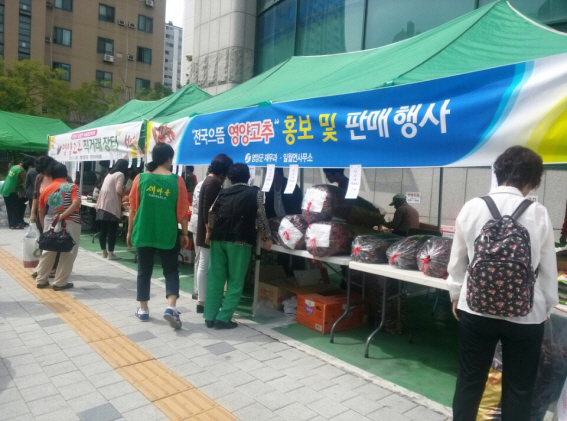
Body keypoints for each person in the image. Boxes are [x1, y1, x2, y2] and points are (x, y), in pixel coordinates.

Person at [447, 146, 558, 421]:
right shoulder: (538, 212)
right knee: (519, 386)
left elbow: (458, 260)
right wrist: (546, 307)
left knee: (469, 380)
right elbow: (548, 268)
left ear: (498, 173)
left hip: (476, 308)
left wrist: (455, 294)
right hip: (525, 314)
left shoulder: (472, 207)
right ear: (532, 181)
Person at [127, 144, 190, 329]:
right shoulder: (177, 181)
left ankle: (143, 310)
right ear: (169, 159)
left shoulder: (140, 178)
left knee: (143, 271)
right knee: (171, 270)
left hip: (144, 230)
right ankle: (171, 307)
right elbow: (182, 210)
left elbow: (133, 208)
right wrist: (185, 233)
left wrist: (130, 231)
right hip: (167, 232)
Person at [204, 163, 273, 329]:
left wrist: (209, 232)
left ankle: (210, 316)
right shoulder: (256, 193)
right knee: (236, 280)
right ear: (248, 177)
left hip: (218, 238)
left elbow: (211, 213)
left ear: (230, 178)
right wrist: (267, 237)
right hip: (240, 239)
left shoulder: (223, 192)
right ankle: (223, 318)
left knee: (215, 278)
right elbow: (262, 216)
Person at [195, 154, 233, 313]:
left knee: (204, 265)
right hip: (208, 231)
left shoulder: (208, 181)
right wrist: (209, 232)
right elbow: (208, 210)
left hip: (204, 230)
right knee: (205, 265)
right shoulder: (213, 184)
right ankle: (202, 301)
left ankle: (202, 300)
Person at [35, 163, 82, 290]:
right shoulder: (72, 186)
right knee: (68, 252)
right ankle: (60, 282)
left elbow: (41, 211)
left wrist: (44, 226)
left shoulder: (46, 189)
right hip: (70, 222)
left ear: (50, 175)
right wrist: (62, 216)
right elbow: (76, 203)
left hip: (49, 222)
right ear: (66, 174)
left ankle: (41, 280)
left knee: (48, 251)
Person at [96, 159, 128, 260]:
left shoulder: (109, 174)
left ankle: (104, 252)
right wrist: (126, 193)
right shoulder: (120, 174)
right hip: (111, 206)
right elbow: (118, 189)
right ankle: (110, 254)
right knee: (112, 231)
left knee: (103, 230)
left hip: (102, 205)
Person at [188, 166, 209, 300]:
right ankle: (199, 291)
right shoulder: (206, 185)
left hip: (196, 223)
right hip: (200, 224)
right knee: (201, 259)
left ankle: (198, 289)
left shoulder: (200, 184)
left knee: (199, 258)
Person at [0, 159, 28, 229]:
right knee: (15, 208)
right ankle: (15, 224)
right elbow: (24, 183)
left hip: (5, 189)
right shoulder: (22, 171)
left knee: (9, 208)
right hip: (12, 190)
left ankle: (11, 224)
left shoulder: (14, 167)